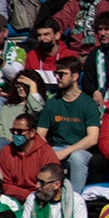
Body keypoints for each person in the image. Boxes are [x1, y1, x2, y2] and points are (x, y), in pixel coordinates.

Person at [36, 56, 99, 192]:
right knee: (42, 155)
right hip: (57, 147)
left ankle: (76, 199)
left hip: (82, 150)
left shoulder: (88, 104)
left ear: (75, 76)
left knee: (77, 158)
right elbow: (40, 134)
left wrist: (66, 152)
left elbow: (92, 138)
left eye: (62, 74)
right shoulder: (52, 103)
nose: (58, 78)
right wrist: (48, 151)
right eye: (56, 74)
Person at [24, 19, 78, 86]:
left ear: (57, 35)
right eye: (39, 35)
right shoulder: (32, 56)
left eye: (46, 34)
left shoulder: (69, 56)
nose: (42, 38)